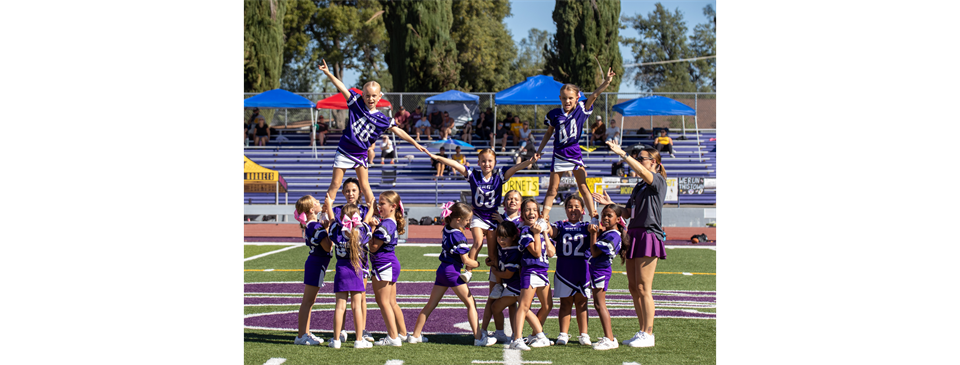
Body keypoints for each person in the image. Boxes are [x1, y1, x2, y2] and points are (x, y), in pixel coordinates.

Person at [318, 59, 429, 225]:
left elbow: (398, 130)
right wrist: (328, 73)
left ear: (380, 96)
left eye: (374, 96)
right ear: (362, 95)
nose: (370, 98)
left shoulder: (383, 119)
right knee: (335, 183)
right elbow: (341, 87)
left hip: (361, 153)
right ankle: (325, 214)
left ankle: (374, 214)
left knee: (364, 185)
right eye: (367, 95)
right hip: (345, 149)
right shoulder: (356, 103)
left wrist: (415, 143)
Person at [592, 140, 668, 349]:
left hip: (648, 235)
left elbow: (642, 172)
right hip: (634, 234)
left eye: (642, 158)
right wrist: (611, 205)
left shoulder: (657, 180)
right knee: (634, 287)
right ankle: (642, 330)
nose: (638, 160)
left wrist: (623, 154)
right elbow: (626, 213)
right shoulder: (640, 186)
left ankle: (648, 332)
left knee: (644, 287)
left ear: (654, 163)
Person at [428, 149, 538, 284]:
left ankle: (498, 282)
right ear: (479, 163)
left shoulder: (500, 175)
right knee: (478, 242)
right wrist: (437, 157)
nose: (487, 164)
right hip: (478, 216)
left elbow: (515, 168)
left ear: (495, 163)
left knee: (492, 254)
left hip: (492, 217)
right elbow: (455, 165)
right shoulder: (474, 175)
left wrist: (529, 162)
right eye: (484, 161)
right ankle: (468, 272)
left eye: (490, 161)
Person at [407, 202, 497, 347]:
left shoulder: (447, 228)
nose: (468, 223)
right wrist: (477, 264)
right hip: (452, 272)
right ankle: (479, 337)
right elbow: (466, 260)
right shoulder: (458, 236)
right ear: (458, 219)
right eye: (467, 220)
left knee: (430, 305)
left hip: (442, 270)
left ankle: (415, 335)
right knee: (471, 303)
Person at [535, 67, 616, 222]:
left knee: (583, 186)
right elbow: (548, 133)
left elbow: (595, 94)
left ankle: (593, 216)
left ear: (577, 97)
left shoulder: (581, 109)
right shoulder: (554, 114)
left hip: (574, 152)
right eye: (564, 98)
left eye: (571, 98)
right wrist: (539, 150)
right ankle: (544, 218)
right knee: (553, 189)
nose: (567, 101)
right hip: (558, 153)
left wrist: (606, 82)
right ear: (560, 98)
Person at [325, 204, 373, 349]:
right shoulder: (362, 231)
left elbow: (332, 222)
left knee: (340, 306)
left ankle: (336, 340)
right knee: (356, 306)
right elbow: (367, 223)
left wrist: (328, 206)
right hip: (356, 270)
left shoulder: (337, 230)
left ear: (342, 218)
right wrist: (371, 207)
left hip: (341, 270)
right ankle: (359, 340)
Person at [510, 198, 555, 350]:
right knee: (524, 306)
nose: (531, 213)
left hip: (543, 271)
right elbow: (536, 253)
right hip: (531, 270)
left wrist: (544, 233)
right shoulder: (524, 231)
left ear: (539, 212)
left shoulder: (541, 229)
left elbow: (551, 252)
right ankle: (517, 339)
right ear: (522, 213)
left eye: (534, 210)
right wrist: (536, 234)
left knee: (548, 305)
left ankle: (535, 334)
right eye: (527, 210)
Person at [480, 190, 523, 344]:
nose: (512, 201)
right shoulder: (497, 217)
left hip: (515, 266)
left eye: (515, 199)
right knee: (492, 297)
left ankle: (515, 334)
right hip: (499, 263)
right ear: (504, 202)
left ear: (520, 202)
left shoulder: (522, 220)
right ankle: (485, 330)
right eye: (509, 199)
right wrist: (492, 258)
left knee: (513, 302)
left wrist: (502, 222)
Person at [551, 195, 593, 347]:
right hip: (564, 270)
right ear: (565, 209)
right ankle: (563, 333)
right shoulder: (560, 225)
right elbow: (552, 232)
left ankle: (584, 334)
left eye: (577, 206)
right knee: (565, 303)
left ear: (583, 210)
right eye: (570, 206)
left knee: (582, 303)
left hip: (582, 269)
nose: (573, 209)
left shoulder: (587, 226)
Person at [369, 191, 408, 346]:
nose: (379, 207)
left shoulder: (386, 224)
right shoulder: (389, 222)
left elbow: (373, 247)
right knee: (391, 302)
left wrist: (372, 227)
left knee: (384, 302)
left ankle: (393, 337)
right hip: (389, 263)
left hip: (383, 264)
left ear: (393, 206)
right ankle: (402, 333)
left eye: (382, 204)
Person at [293, 195, 331, 346]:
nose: (319, 203)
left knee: (310, 301)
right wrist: (329, 228)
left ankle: (306, 332)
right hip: (316, 264)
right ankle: (301, 335)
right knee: (307, 302)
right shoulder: (314, 226)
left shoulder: (314, 225)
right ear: (311, 209)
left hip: (317, 264)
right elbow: (328, 246)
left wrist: (326, 227)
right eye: (316, 202)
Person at [588, 204, 625, 351]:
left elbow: (595, 252)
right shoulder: (609, 232)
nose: (606, 218)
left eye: (610, 215)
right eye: (604, 215)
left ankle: (609, 338)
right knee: (598, 304)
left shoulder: (614, 235)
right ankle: (608, 337)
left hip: (601, 270)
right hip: (597, 270)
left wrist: (593, 234)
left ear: (617, 219)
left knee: (600, 304)